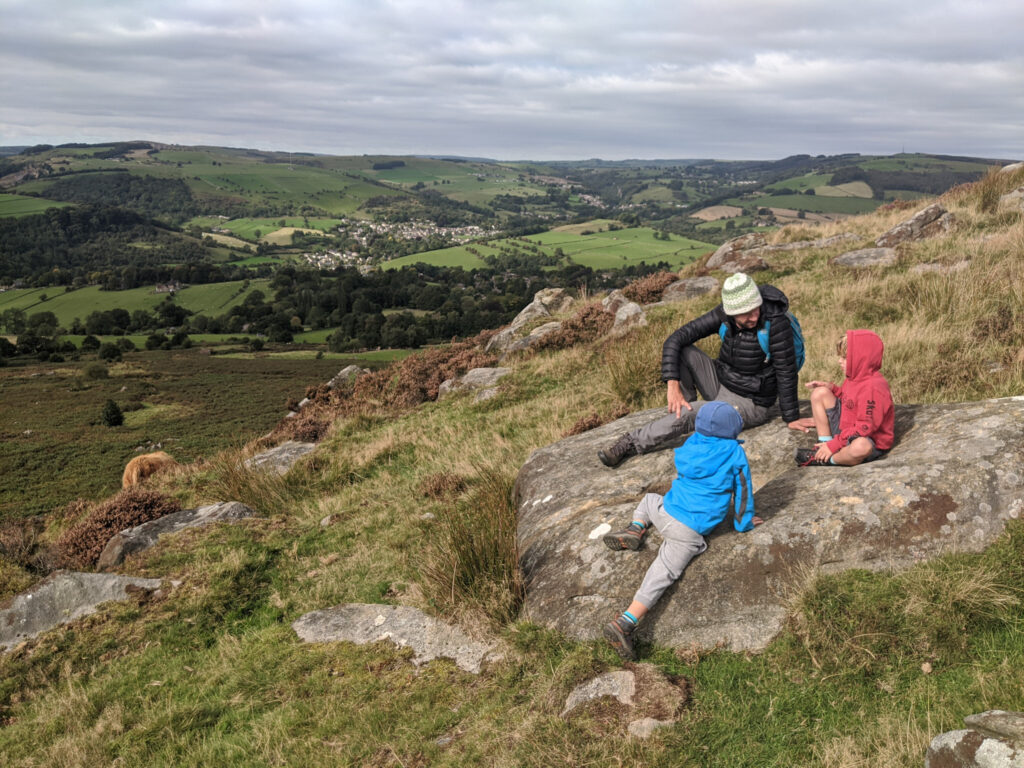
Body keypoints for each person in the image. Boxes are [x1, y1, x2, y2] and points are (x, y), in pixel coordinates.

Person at [598, 272, 812, 467]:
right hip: (720, 382)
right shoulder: (723, 315)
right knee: (684, 350)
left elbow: (786, 370)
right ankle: (685, 412)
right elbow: (675, 339)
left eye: (756, 308)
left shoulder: (775, 322)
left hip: (751, 403)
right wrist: (672, 383)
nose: (754, 316)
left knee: (690, 415)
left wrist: (791, 416)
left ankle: (632, 442)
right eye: (745, 313)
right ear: (731, 312)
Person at [601, 401, 762, 660]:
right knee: (661, 573)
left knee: (649, 499)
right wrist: (743, 523)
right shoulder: (734, 453)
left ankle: (636, 528)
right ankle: (626, 622)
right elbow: (743, 491)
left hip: (666, 510)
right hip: (688, 530)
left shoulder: (691, 443)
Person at [795, 329, 894, 466]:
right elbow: (849, 399)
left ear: (861, 358)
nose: (839, 361)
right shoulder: (855, 376)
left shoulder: (873, 388)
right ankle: (823, 445)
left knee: (861, 447)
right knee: (819, 393)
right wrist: (832, 388)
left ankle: (828, 459)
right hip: (847, 428)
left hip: (867, 437)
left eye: (845, 358)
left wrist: (836, 444)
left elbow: (865, 428)